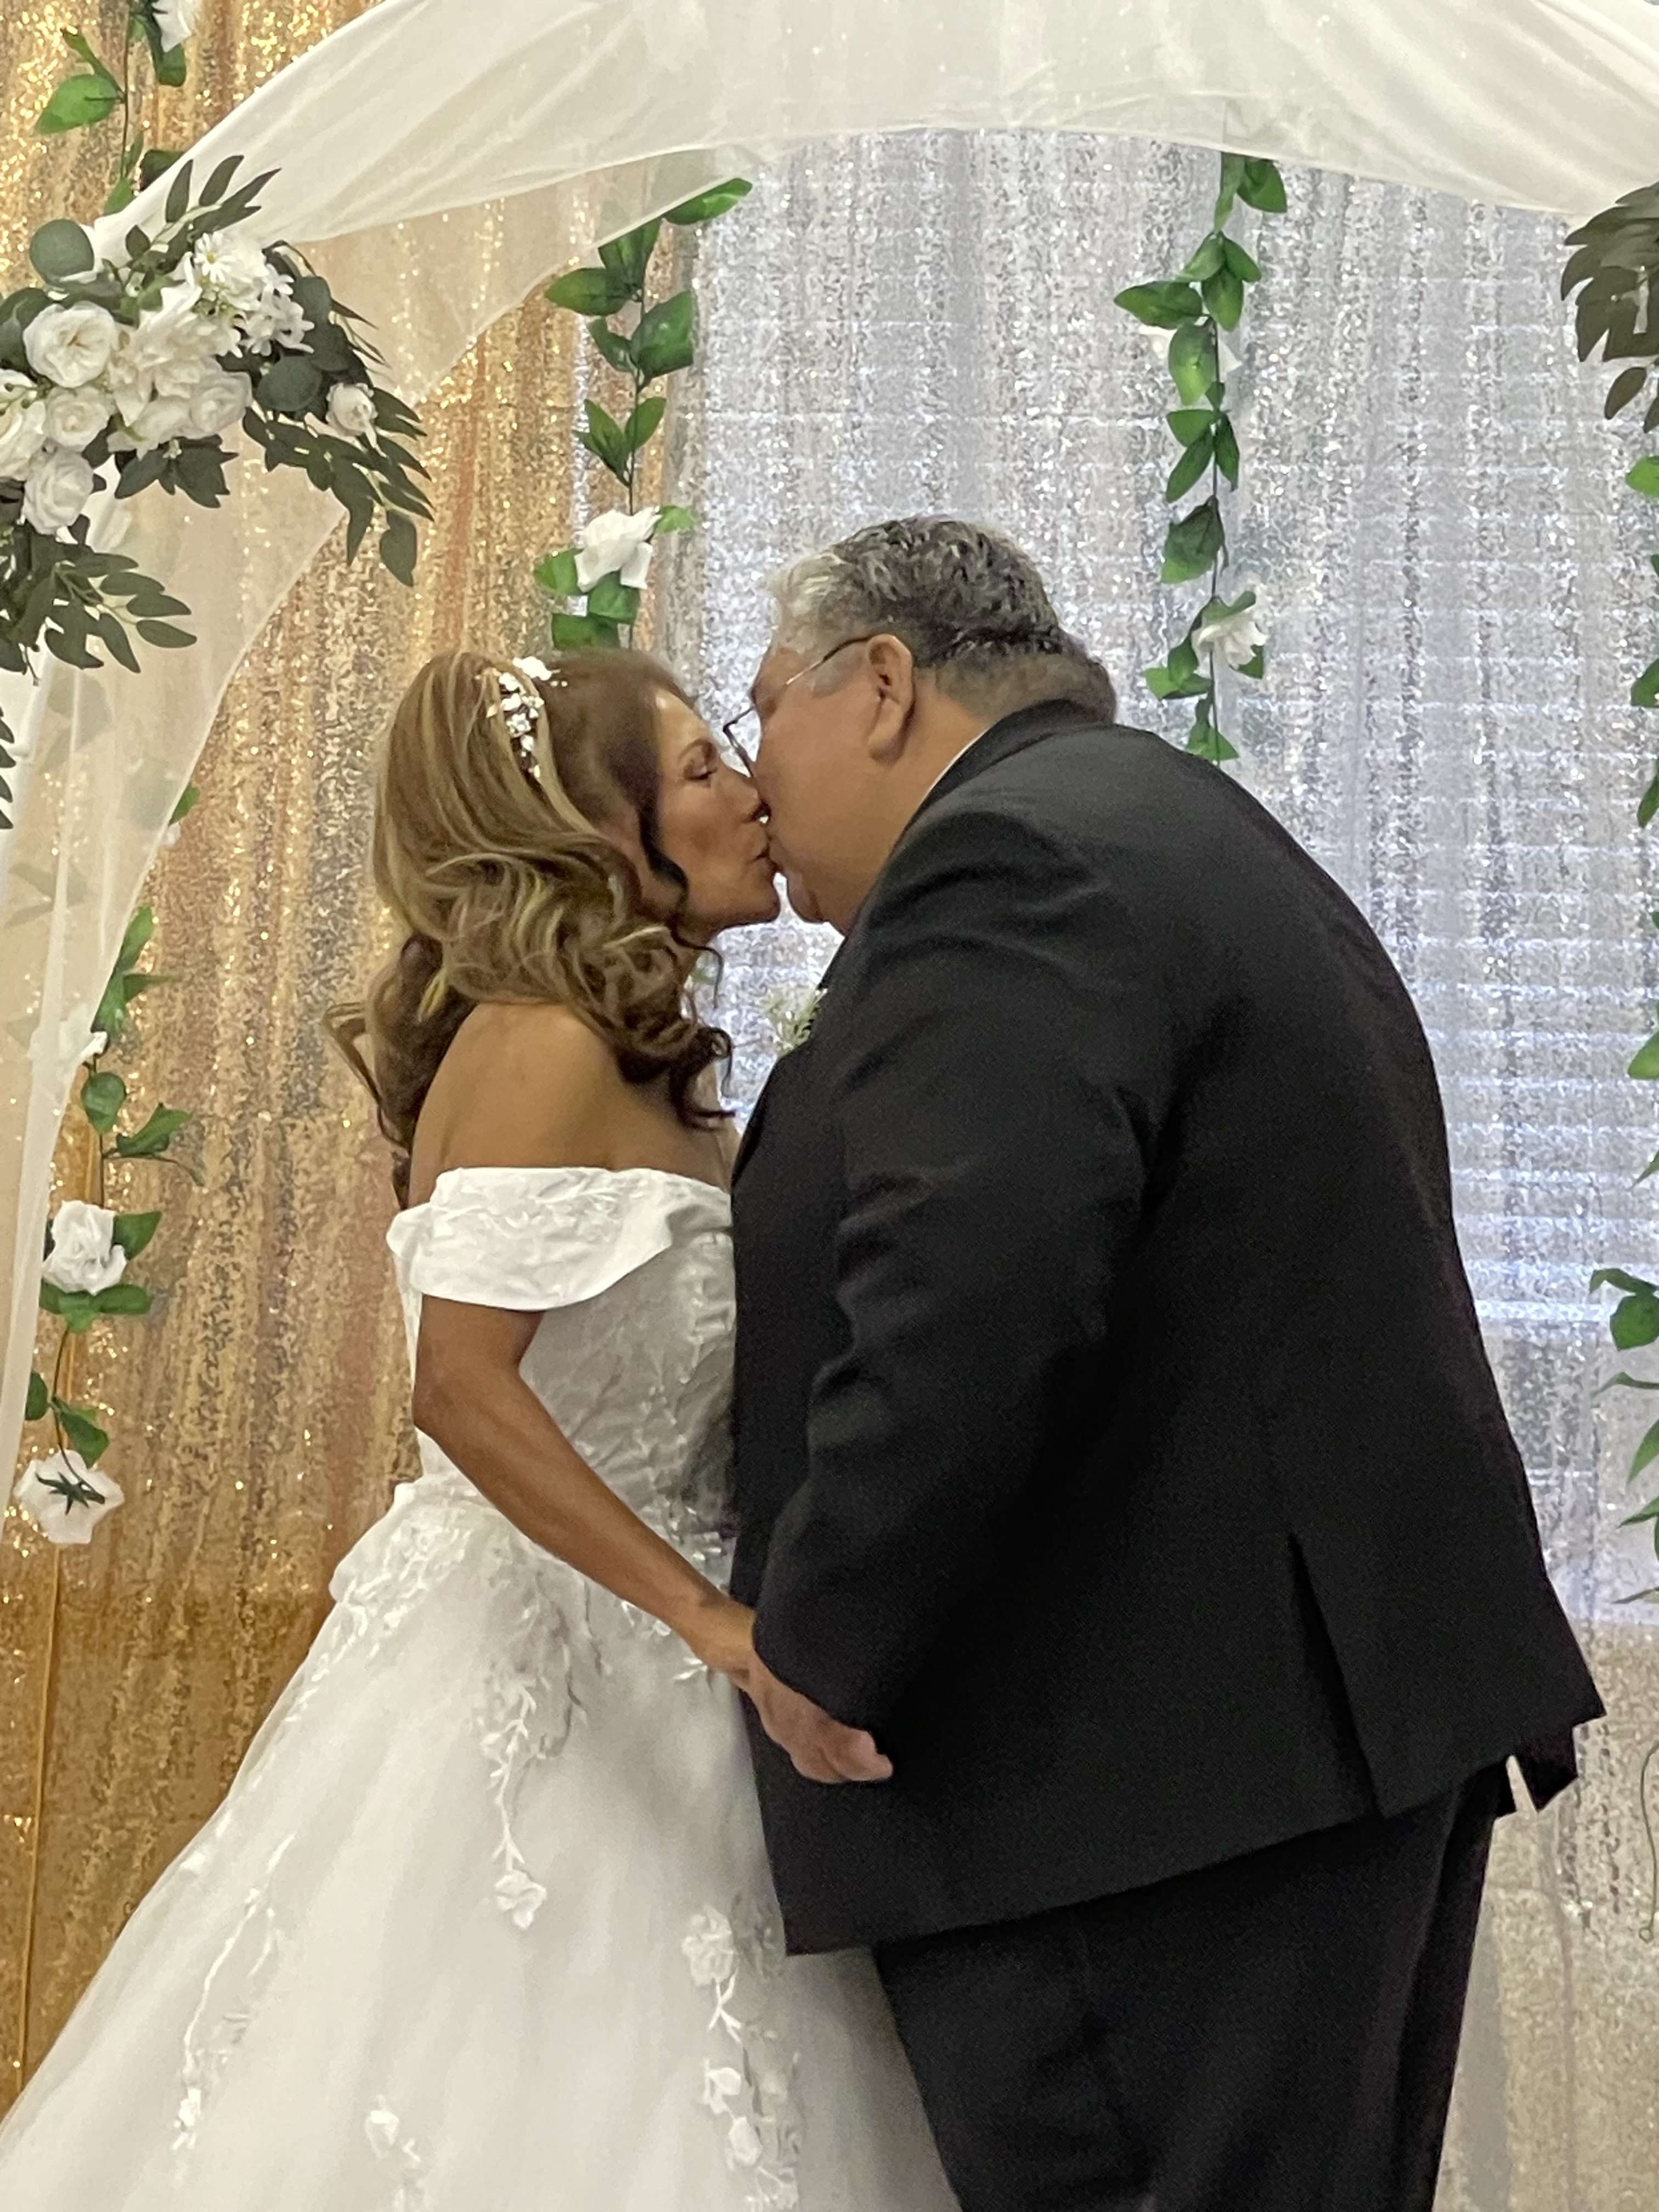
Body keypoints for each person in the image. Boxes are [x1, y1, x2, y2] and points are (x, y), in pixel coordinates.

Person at [0, 646, 954, 2212]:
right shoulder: (543, 1044)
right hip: (553, 1656)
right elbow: (461, 1387)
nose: (750, 791)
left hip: (661, 1660)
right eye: (703, 768)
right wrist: (715, 1625)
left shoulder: (626, 1055)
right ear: (600, 826)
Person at [726, 516, 1605, 2212]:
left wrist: (822, 1644)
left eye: (765, 710)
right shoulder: (1166, 826)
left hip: (1141, 1784)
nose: (757, 780)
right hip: (1284, 1752)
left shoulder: (1006, 869)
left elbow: (970, 1285)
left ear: (886, 686)